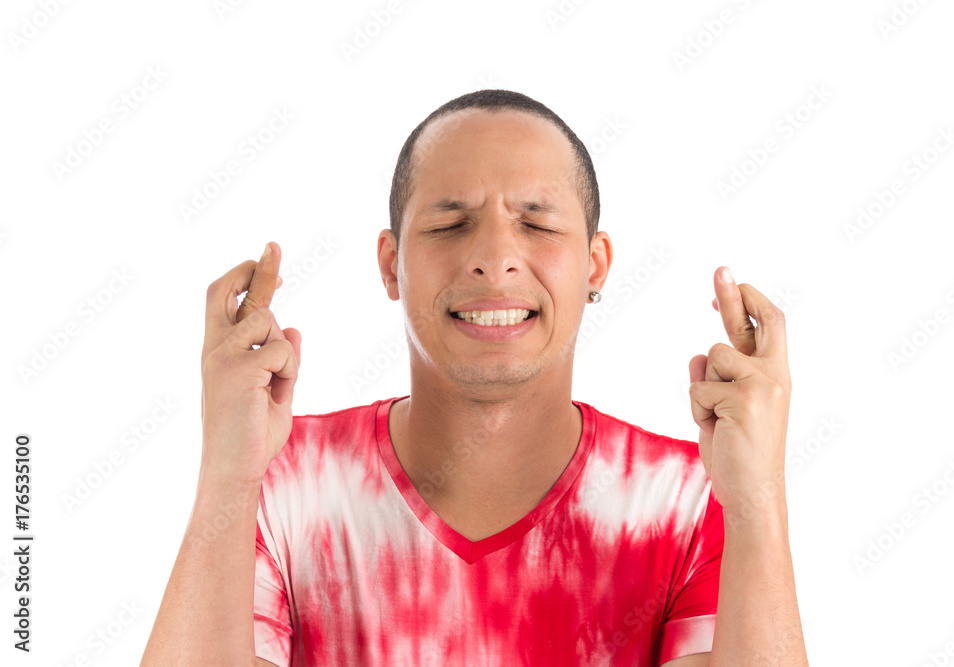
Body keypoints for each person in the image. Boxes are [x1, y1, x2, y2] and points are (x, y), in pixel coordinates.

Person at [140, 89, 808, 666]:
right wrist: (227, 473)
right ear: (392, 264)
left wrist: (759, 499)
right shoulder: (281, 481)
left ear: (595, 264)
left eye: (536, 223)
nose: (494, 257)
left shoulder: (693, 500)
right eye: (451, 224)